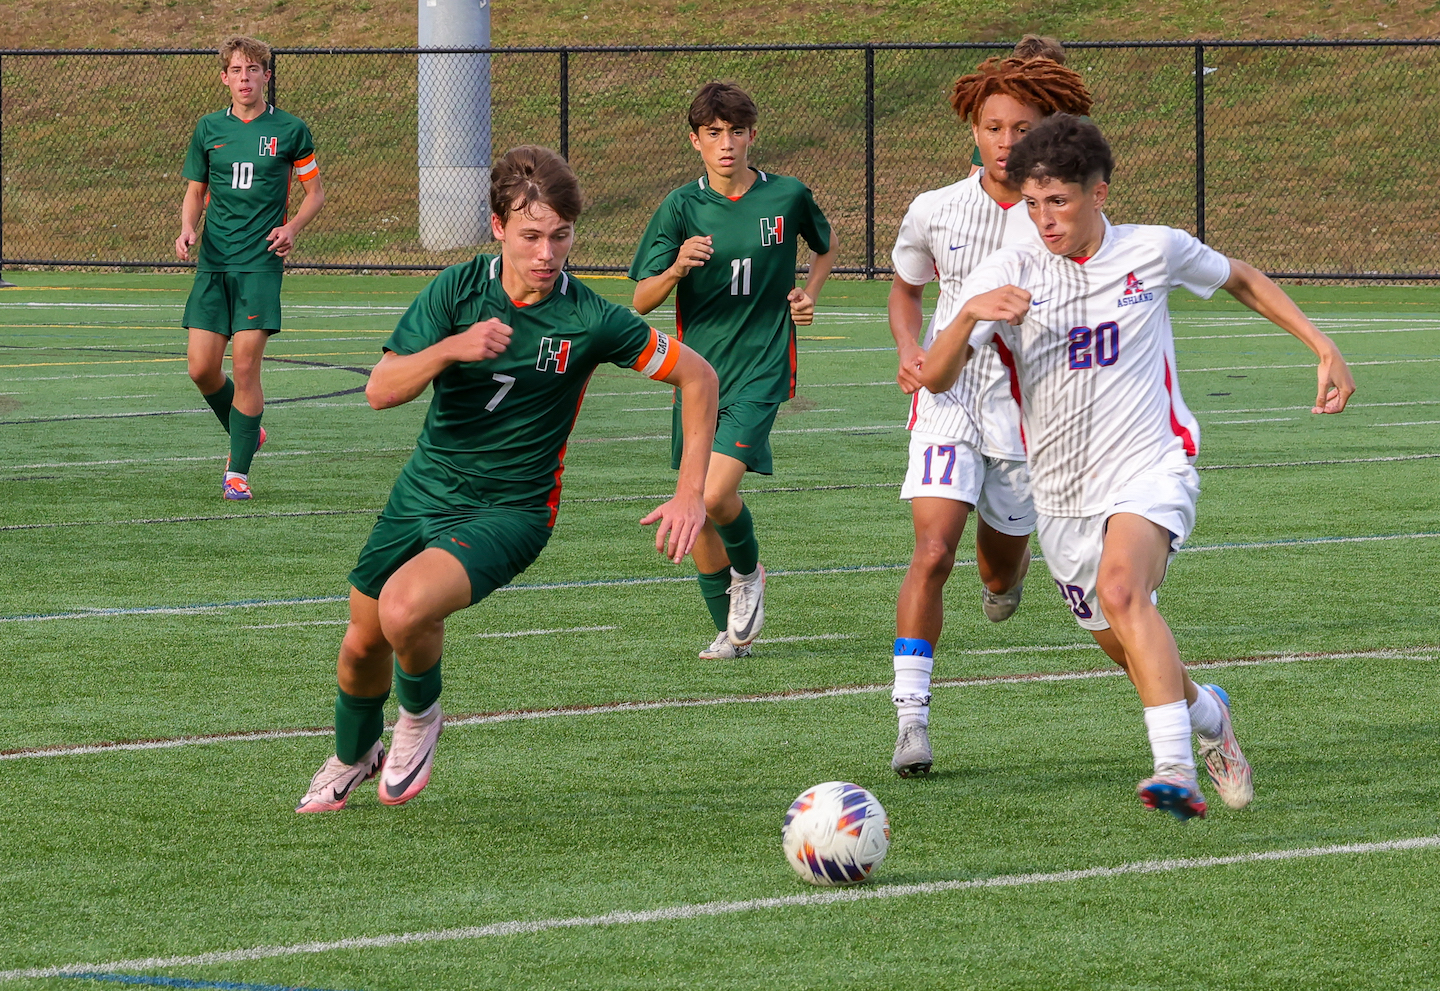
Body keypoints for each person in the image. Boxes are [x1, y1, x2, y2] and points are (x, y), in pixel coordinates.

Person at [918, 114, 1355, 820]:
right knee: (1130, 647)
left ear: (1099, 191)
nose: (1045, 219)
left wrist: (1320, 342)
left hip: (1151, 465)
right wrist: (969, 314)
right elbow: (936, 378)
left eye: (1059, 201)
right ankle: (1211, 719)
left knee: (1125, 592)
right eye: (1031, 204)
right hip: (1058, 497)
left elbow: (1239, 277)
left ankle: (1173, 767)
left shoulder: (1151, 251)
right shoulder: (1010, 268)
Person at [296, 146, 719, 813]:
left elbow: (698, 375)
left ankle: (419, 717)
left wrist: (691, 490)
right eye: (530, 236)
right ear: (497, 228)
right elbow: (381, 389)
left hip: (511, 510)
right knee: (359, 645)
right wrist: (450, 349)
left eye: (560, 236)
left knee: (404, 607)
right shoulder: (457, 291)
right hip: (423, 490)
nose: (547, 252)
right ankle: (352, 754)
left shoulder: (590, 318)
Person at [888, 57, 1092, 778]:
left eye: (1022, 128)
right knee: (933, 551)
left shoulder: (1066, 217)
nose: (1005, 141)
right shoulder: (934, 208)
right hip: (947, 398)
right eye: (992, 126)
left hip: (1027, 417)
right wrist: (912, 346)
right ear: (971, 131)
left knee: (996, 573)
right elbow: (906, 289)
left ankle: (1007, 573)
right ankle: (912, 718)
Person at [630, 81, 838, 661]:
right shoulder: (680, 206)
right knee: (694, 514)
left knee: (716, 495)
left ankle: (748, 573)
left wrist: (808, 293)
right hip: (695, 376)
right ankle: (730, 632)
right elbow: (641, 301)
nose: (727, 144)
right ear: (695, 140)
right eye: (714, 134)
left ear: (753, 136)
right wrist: (675, 268)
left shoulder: (788, 196)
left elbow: (823, 244)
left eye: (737, 132)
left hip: (762, 367)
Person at [175, 35, 326, 501]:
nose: (245, 78)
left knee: (244, 368)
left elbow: (314, 194)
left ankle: (237, 472)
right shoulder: (207, 129)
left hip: (260, 264)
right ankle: (248, 431)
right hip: (214, 263)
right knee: (201, 369)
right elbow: (196, 191)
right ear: (225, 78)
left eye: (253, 69)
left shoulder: (291, 130)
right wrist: (187, 229)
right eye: (237, 71)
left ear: (267, 75)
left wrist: (293, 228)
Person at [968, 37, 1068, 177]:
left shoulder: (1073, 124)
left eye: (1046, 73)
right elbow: (976, 175)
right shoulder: (1004, 120)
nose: (1038, 82)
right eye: (1030, 73)